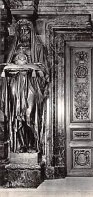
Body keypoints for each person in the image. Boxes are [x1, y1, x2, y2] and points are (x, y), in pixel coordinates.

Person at [1, 19, 49, 153]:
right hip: (15, 83)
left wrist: (34, 68)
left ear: (31, 31)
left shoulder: (38, 47)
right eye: (20, 30)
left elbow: (44, 69)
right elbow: (6, 66)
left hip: (31, 85)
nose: (23, 33)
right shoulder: (13, 46)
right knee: (16, 113)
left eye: (26, 30)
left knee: (30, 113)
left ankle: (33, 143)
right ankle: (20, 144)